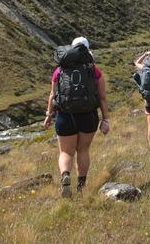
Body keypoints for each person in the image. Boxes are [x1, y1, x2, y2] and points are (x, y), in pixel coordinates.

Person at [43, 37, 110, 198]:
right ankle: (81, 185)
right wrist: (105, 119)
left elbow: (53, 95)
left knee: (66, 152)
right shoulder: (93, 69)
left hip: (65, 116)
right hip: (88, 116)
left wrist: (49, 115)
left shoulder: (59, 70)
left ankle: (65, 175)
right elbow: (102, 97)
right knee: (83, 150)